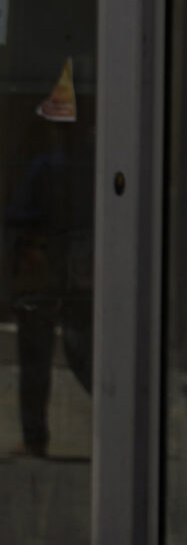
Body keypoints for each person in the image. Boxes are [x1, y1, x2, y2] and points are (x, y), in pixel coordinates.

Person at [6, 142, 94, 457]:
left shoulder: (44, 166)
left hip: (45, 267)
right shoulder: (92, 166)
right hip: (80, 267)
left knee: (36, 356)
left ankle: (34, 438)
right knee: (81, 349)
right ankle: (118, 417)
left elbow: (19, 215)